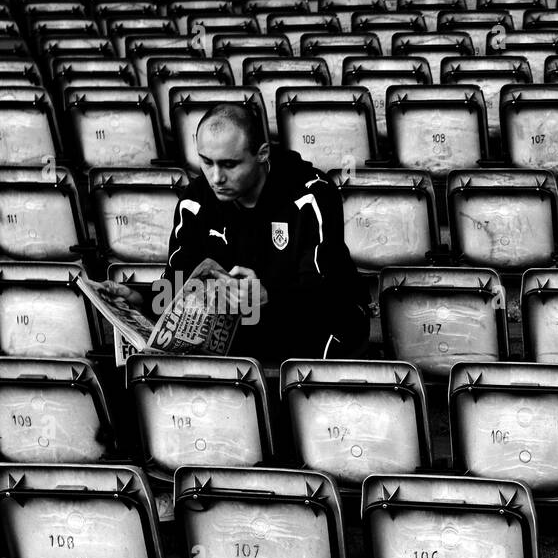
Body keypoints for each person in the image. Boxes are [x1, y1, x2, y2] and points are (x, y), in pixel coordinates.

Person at [96, 102, 369, 365]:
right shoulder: (195, 201)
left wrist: (267, 292)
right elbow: (179, 285)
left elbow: (326, 293)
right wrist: (140, 298)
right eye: (206, 162)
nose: (216, 177)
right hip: (242, 326)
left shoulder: (312, 194)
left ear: (262, 154)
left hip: (316, 320)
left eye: (229, 164)